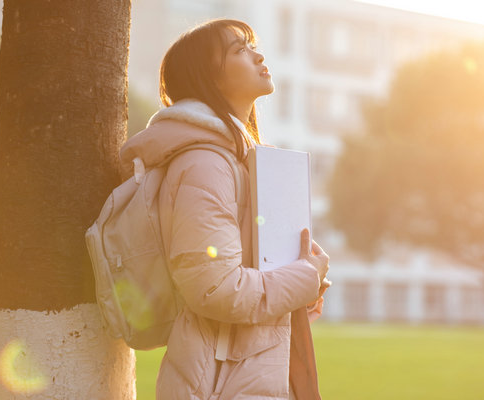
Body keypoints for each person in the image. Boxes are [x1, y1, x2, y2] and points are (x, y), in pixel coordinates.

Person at [119, 19, 330, 399]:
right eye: (239, 50)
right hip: (218, 385)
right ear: (209, 77)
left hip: (246, 373)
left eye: (252, 45)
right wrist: (304, 278)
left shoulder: (237, 160)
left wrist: (303, 283)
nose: (259, 55)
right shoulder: (205, 163)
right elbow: (215, 289)